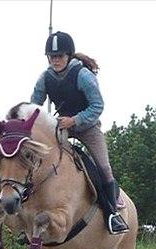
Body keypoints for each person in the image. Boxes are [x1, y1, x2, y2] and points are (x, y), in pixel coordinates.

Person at [30, 31, 129, 235]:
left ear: (69, 56)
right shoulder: (45, 77)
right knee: (40, 158)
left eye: (59, 56)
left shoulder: (82, 75)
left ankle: (112, 214)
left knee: (103, 167)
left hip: (87, 127)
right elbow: (35, 107)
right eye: (52, 56)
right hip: (61, 127)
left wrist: (75, 120)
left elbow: (97, 105)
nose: (55, 60)